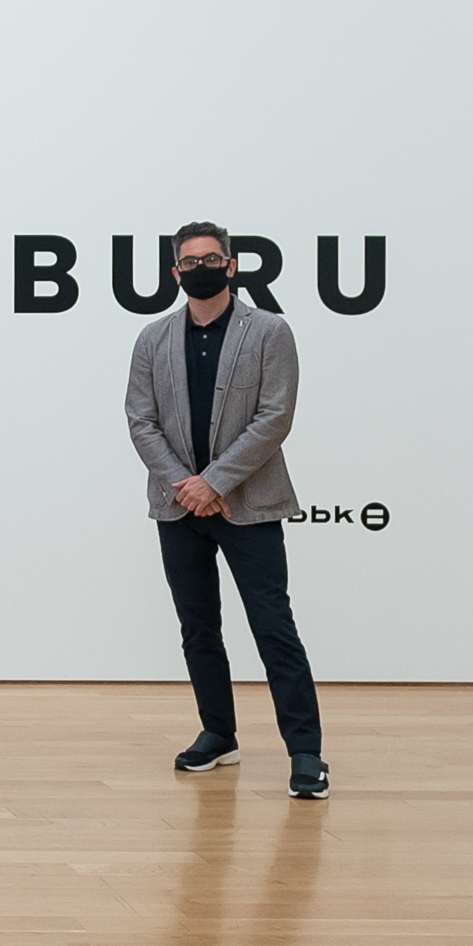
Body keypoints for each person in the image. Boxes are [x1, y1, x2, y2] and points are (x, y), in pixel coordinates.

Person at [125, 221, 328, 799]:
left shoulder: (269, 331)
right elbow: (140, 419)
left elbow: (275, 417)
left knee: (273, 627)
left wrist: (213, 482)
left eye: (212, 259)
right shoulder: (153, 339)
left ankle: (306, 753)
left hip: (250, 507)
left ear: (232, 266)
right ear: (176, 273)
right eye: (190, 262)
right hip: (178, 508)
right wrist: (184, 485)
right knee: (198, 628)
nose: (201, 269)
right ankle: (218, 733)